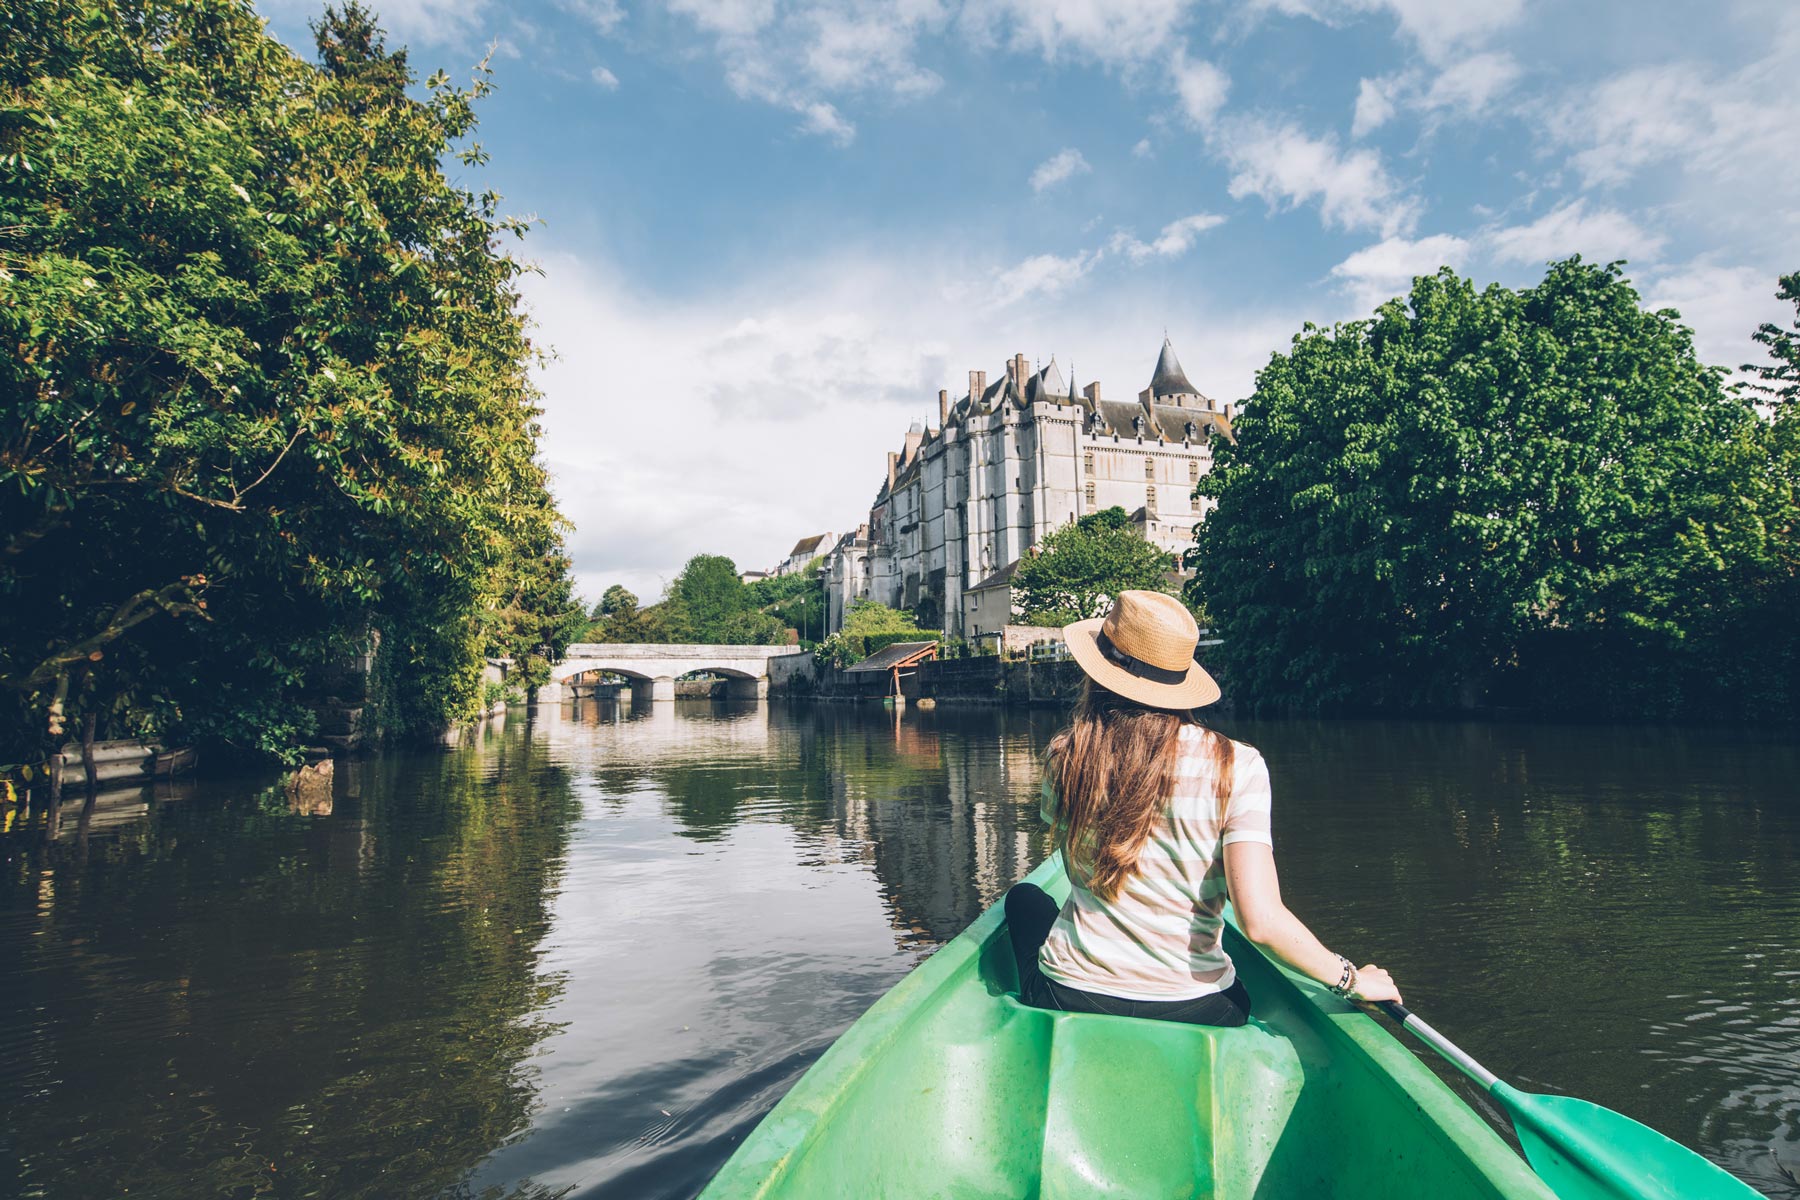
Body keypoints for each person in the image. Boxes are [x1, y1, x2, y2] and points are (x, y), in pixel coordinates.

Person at [1006, 589, 1401, 1027]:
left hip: (1070, 993)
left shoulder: (1066, 754)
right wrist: (1351, 978)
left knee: (1023, 899)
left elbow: (1075, 868)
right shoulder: (1237, 764)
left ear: (1096, 675)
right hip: (1199, 1006)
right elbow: (1262, 922)